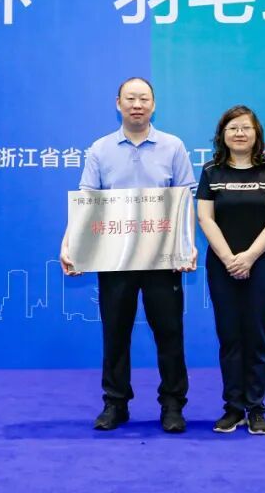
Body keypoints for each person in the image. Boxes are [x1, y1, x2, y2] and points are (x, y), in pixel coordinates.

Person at [60, 77, 197, 433]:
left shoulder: (173, 147)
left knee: (169, 333)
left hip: (162, 258)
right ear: (118, 103)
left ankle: (172, 405)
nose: (137, 105)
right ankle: (115, 403)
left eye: (144, 99)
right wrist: (69, 244)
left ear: (154, 105)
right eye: (131, 98)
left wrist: (187, 244)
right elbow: (86, 201)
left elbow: (185, 200)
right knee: (115, 333)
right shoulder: (100, 149)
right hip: (115, 258)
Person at [196, 105, 265, 435]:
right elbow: (205, 218)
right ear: (222, 134)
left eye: (245, 127)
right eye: (232, 127)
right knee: (230, 337)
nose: (239, 133)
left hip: (261, 264)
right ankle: (233, 407)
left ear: (256, 133)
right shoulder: (211, 172)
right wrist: (229, 258)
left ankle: (256, 407)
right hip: (222, 266)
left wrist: (249, 257)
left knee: (257, 337)